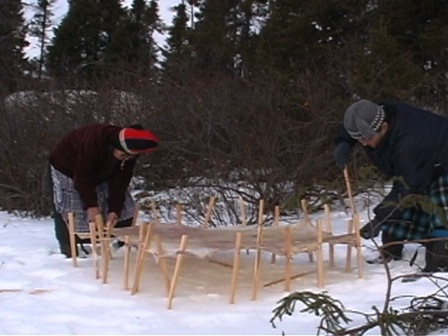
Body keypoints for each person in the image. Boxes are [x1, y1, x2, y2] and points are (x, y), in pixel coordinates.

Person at [334, 99, 448, 266]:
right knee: (397, 206)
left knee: (436, 203)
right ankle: (391, 250)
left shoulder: (409, 144)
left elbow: (409, 187)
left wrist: (379, 219)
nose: (364, 144)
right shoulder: (374, 114)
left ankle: (440, 260)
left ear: (384, 128)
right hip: (425, 166)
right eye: (359, 140)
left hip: (443, 165)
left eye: (368, 139)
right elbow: (352, 124)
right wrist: (343, 143)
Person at [48, 123, 159, 257]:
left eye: (130, 157)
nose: (127, 159)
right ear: (115, 146)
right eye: (124, 155)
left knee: (125, 208)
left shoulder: (130, 151)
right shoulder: (93, 141)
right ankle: (69, 250)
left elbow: (121, 180)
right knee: (72, 211)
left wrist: (115, 209)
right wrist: (91, 206)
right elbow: (83, 177)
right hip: (68, 169)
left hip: (102, 172)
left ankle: (115, 244)